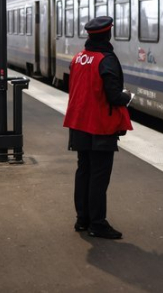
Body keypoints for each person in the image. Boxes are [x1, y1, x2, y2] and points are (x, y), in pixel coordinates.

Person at [63, 16, 133, 239]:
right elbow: (113, 95)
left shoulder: (78, 58)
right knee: (99, 176)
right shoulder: (106, 59)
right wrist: (128, 97)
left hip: (79, 123)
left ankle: (82, 219)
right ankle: (98, 224)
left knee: (84, 171)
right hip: (101, 125)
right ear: (107, 34)